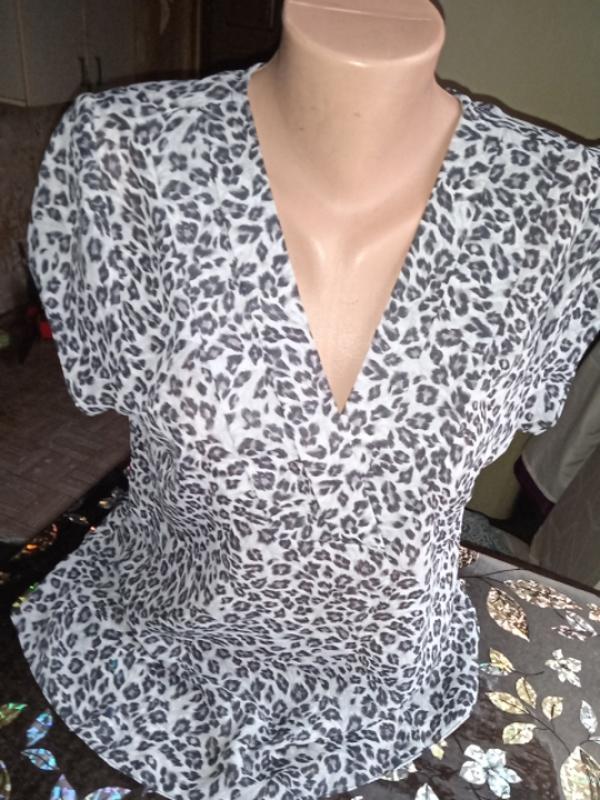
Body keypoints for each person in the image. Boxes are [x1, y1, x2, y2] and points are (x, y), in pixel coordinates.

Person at [11, 1, 600, 799]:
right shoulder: (126, 155)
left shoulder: (559, 202)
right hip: (156, 644)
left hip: (394, 666)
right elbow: (97, 381)